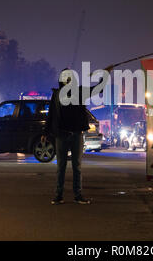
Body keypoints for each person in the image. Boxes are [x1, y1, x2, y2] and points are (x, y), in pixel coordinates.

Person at [47, 66, 113, 205]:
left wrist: (105, 75)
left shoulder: (80, 91)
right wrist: (46, 133)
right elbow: (52, 114)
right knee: (61, 166)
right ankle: (58, 195)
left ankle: (78, 195)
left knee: (77, 166)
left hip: (76, 134)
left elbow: (98, 88)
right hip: (62, 134)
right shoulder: (57, 94)